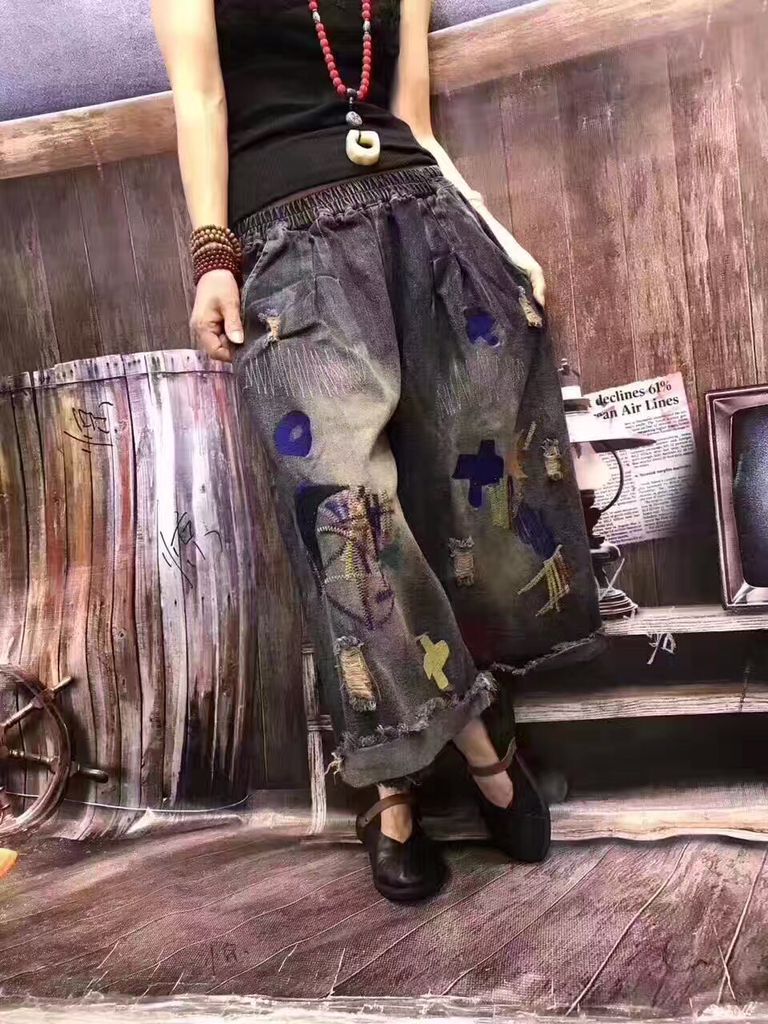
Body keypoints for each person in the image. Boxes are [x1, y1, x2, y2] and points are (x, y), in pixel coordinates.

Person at [153, 0, 601, 903]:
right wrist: (211, 256)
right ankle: (477, 746)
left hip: (423, 228)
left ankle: (397, 787)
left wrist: (498, 236)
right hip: (287, 247)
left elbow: (416, 123)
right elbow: (200, 98)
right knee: (346, 519)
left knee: (462, 496)